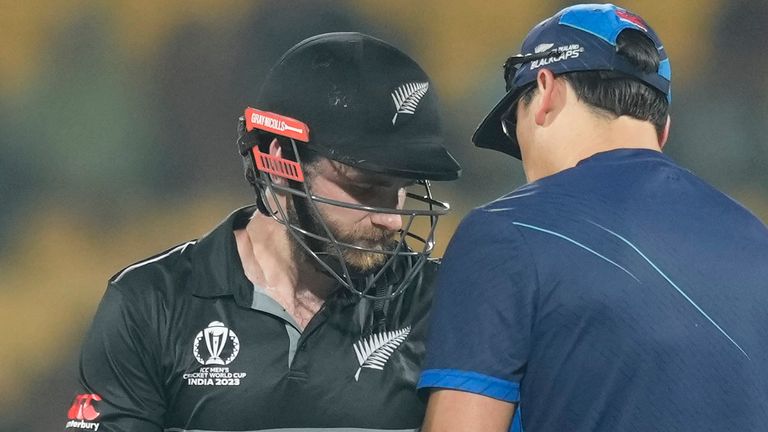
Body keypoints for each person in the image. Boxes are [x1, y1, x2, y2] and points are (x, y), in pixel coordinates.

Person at [64, 32, 460, 432]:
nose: (392, 219)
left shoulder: (442, 303)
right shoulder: (151, 303)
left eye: (401, 187)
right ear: (278, 161)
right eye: (364, 186)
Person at [417, 4, 768, 432]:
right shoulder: (756, 238)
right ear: (664, 126)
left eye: (514, 126)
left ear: (544, 90)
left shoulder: (504, 233)